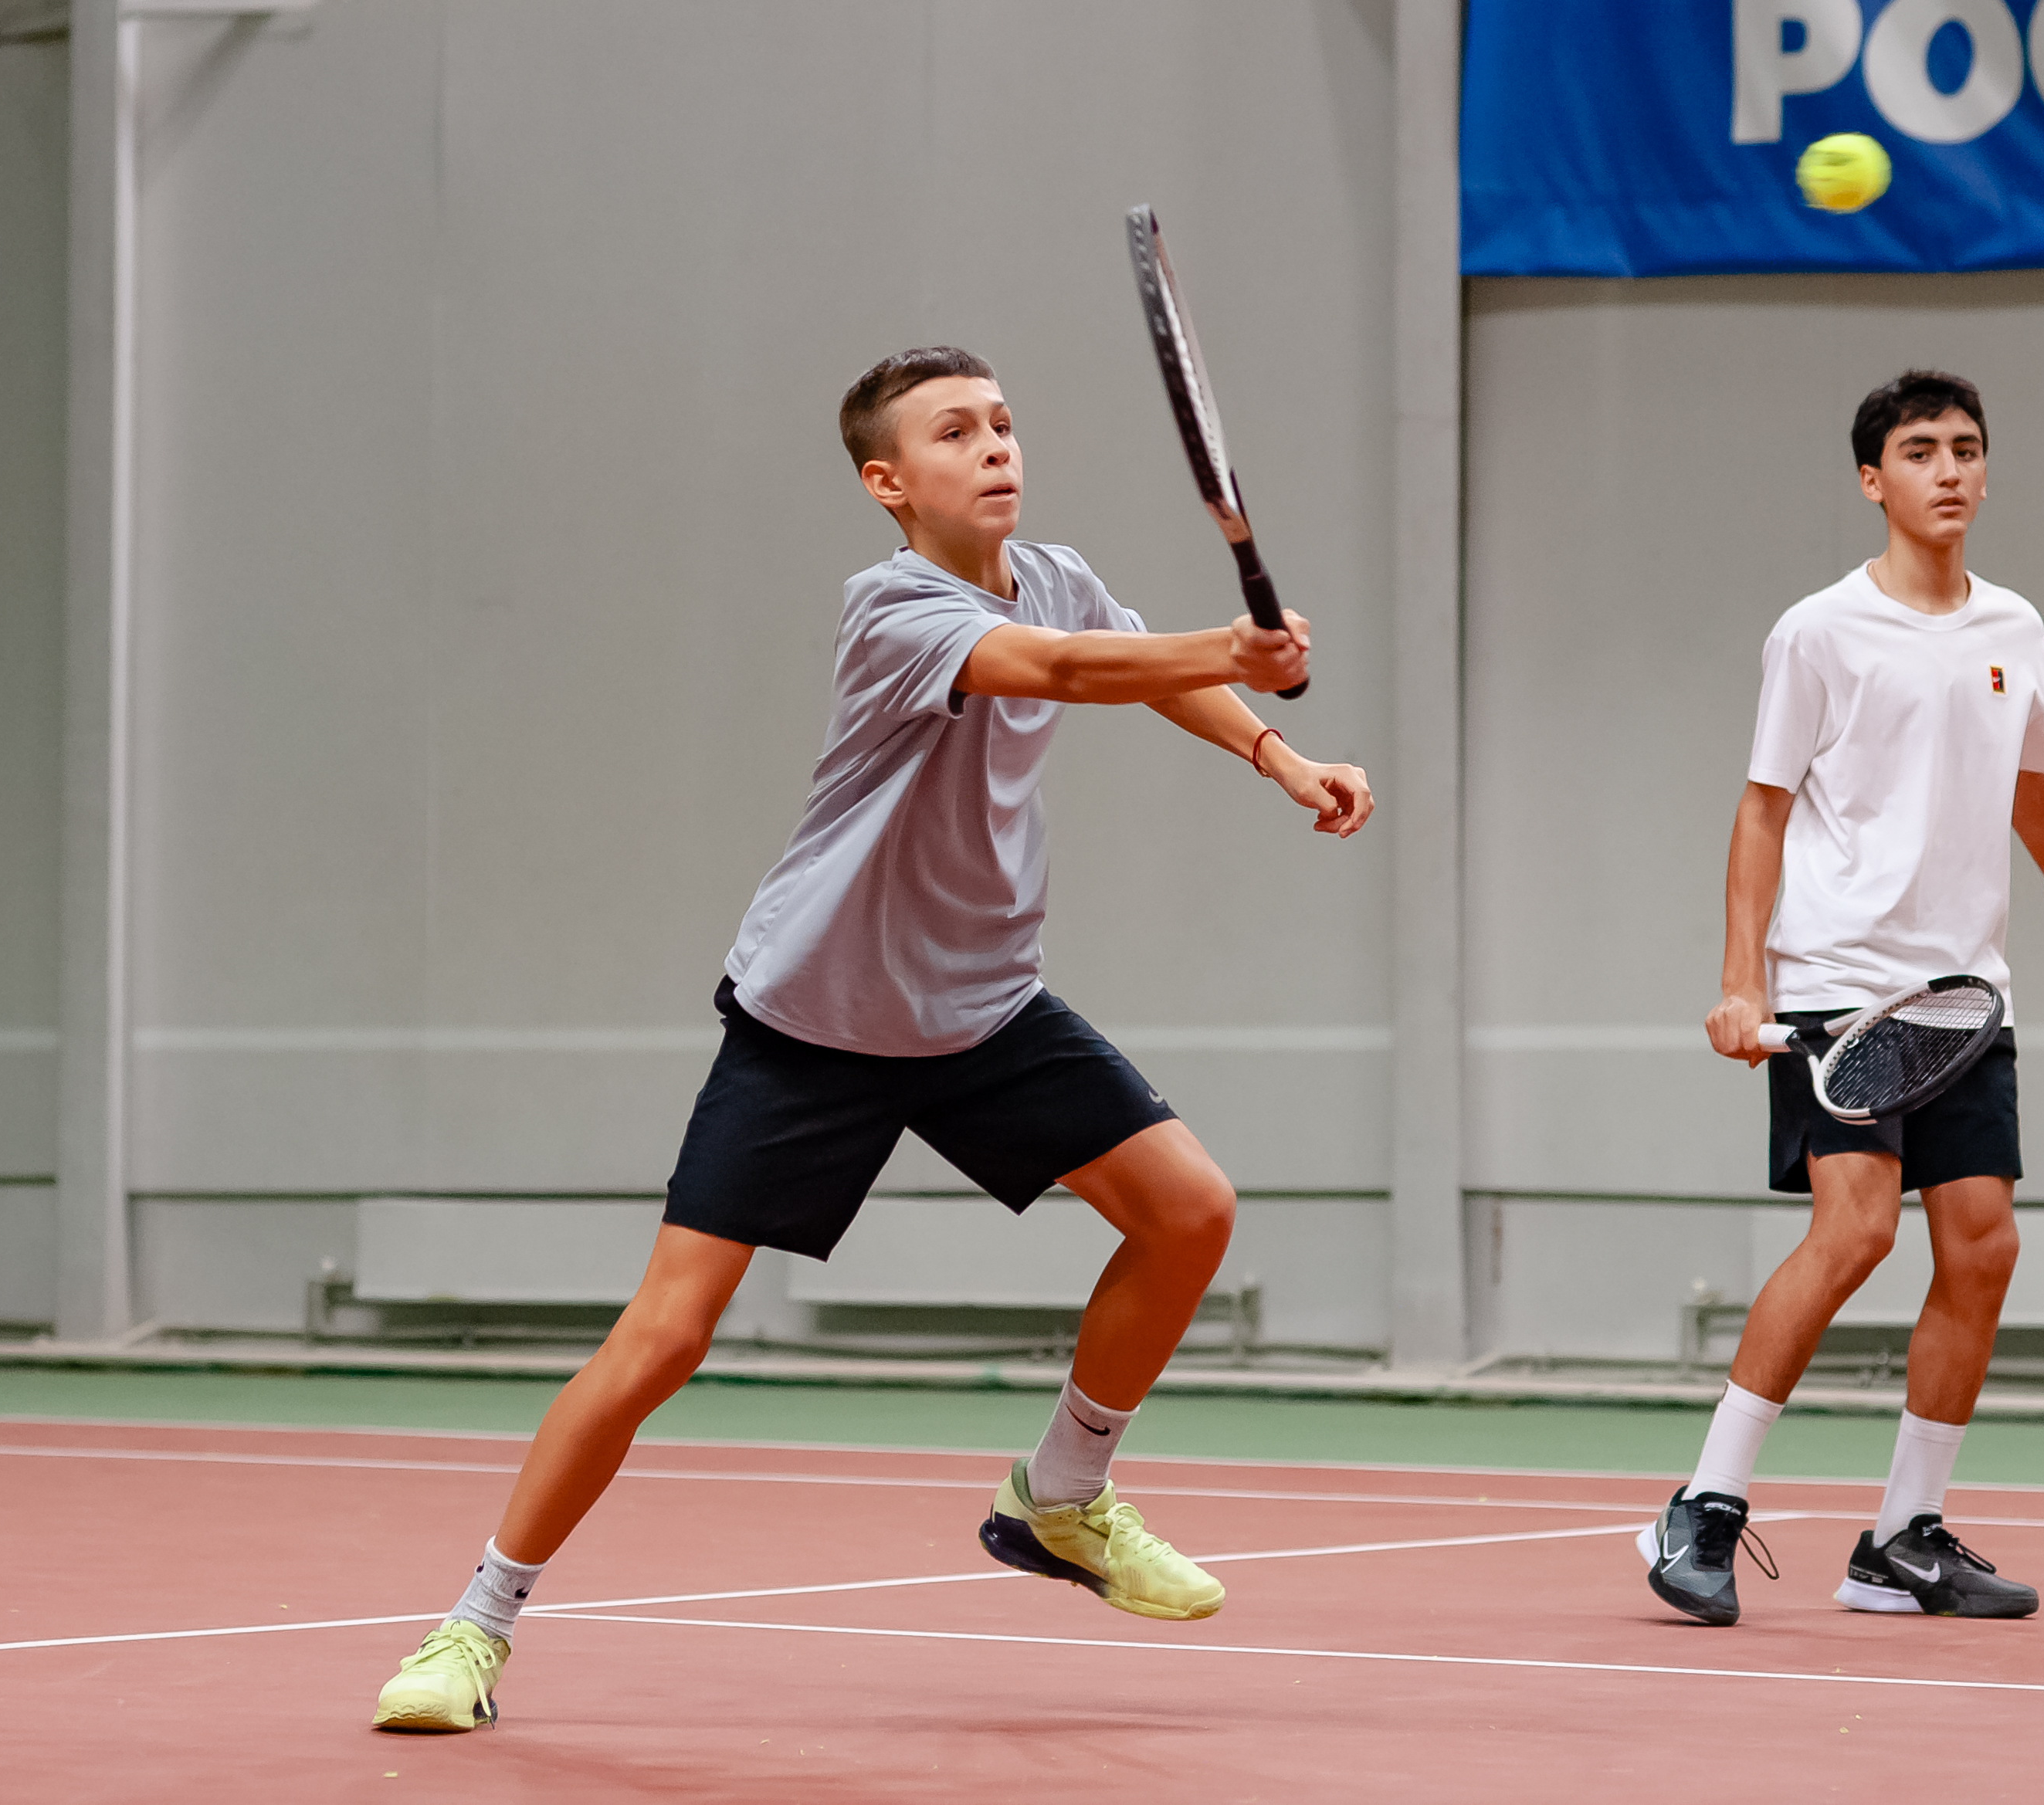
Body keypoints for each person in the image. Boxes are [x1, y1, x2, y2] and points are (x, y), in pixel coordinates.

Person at [372, 346, 1372, 1731]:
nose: (995, 445)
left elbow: (1132, 663)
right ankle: (474, 1625)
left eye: (1003, 422)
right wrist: (1228, 644)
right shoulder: (893, 607)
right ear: (887, 483)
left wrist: (1277, 752)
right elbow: (1063, 669)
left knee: (1188, 1209)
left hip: (981, 1006)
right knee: (663, 1338)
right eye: (954, 432)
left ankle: (1061, 1495)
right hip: (818, 1020)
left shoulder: (1059, 574)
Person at [1640, 370, 2044, 1626]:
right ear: (1872, 479)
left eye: (1965, 448)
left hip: (1964, 994)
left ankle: (1900, 1539)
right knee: (1856, 1231)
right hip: (1836, 985)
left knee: (1982, 1244)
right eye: (1919, 451)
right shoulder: (1817, 631)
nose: (1948, 469)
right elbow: (1761, 807)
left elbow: (2030, 790)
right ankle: (1701, 1505)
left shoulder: (2012, 626)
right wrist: (1737, 979)